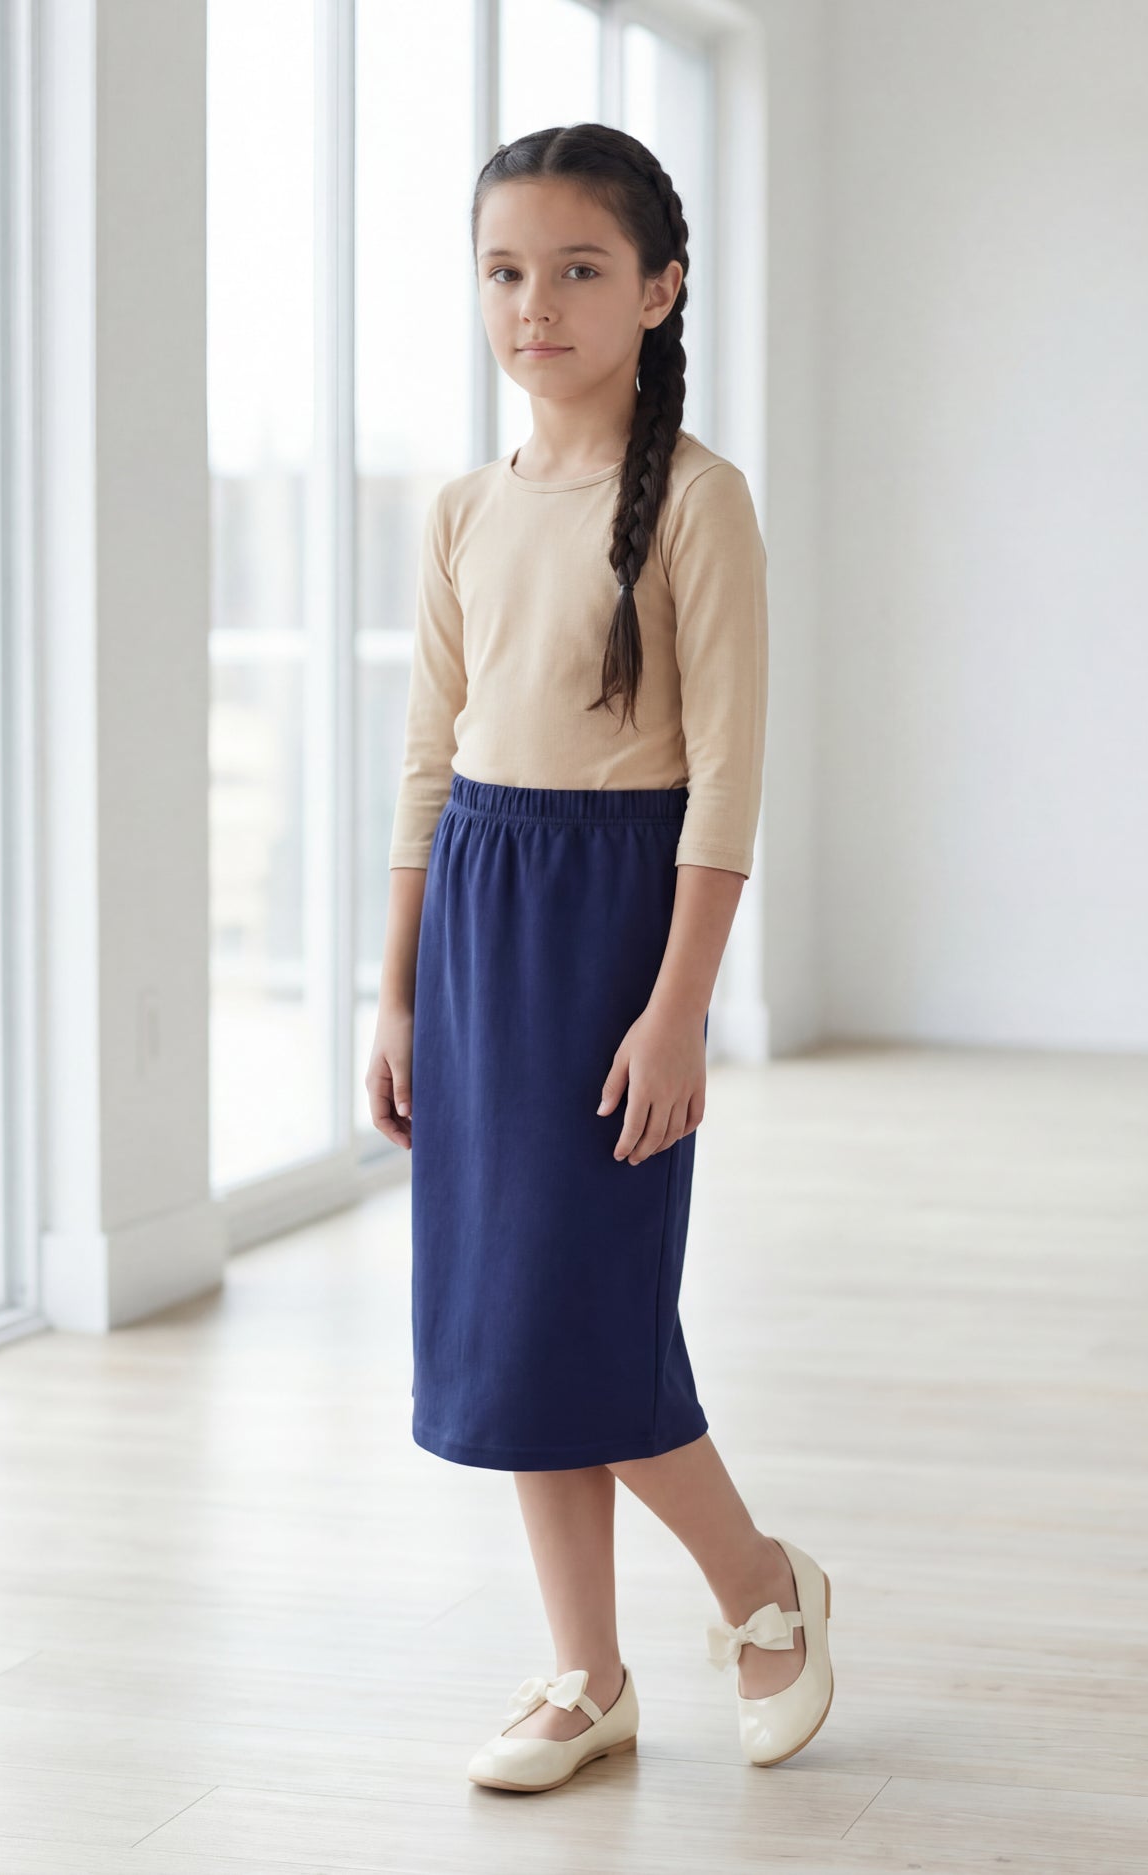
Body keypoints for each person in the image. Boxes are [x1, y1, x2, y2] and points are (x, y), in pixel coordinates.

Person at [365, 122, 833, 1793]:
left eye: (576, 270)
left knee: (587, 1311)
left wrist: (680, 1006)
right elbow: (430, 757)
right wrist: (398, 984)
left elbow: (727, 776)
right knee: (506, 1325)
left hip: (619, 920)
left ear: (658, 288)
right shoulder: (459, 510)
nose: (535, 305)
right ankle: (585, 1674)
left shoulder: (699, 504)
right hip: (483, 911)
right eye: (505, 271)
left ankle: (763, 1594)